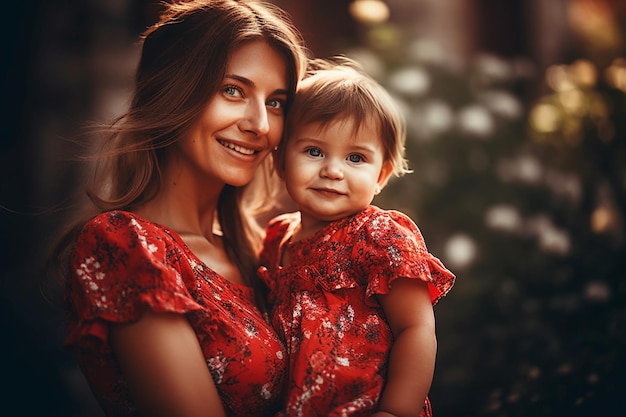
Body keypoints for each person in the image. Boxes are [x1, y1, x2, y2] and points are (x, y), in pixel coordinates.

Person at [51, 1, 308, 416]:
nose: (260, 124)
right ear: (171, 90)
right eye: (233, 90)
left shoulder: (263, 254)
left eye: (276, 102)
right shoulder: (126, 246)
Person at [257, 57, 456, 417]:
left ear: (382, 175)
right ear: (281, 161)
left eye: (355, 157)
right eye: (314, 151)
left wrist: (397, 410)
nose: (332, 170)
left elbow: (416, 328)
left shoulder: (378, 236)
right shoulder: (277, 239)